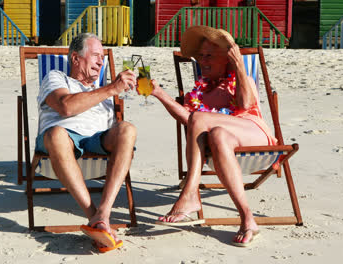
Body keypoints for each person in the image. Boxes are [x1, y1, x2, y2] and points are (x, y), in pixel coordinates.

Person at [150, 26, 277, 247]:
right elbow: (190, 121)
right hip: (225, 146)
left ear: (226, 59)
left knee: (200, 118)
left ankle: (190, 193)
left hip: (255, 136)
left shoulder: (241, 78)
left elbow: (246, 104)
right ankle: (247, 217)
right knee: (216, 133)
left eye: (209, 56)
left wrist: (238, 65)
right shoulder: (200, 92)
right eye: (200, 56)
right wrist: (159, 93)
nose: (202, 61)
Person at [35, 33, 137, 251]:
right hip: (61, 140)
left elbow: (115, 131)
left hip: (97, 141)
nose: (101, 62)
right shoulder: (56, 78)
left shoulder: (102, 91)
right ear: (75, 59)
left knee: (127, 129)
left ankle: (103, 213)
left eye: (102, 57)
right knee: (56, 134)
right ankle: (95, 218)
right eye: (95, 55)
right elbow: (66, 107)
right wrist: (111, 88)